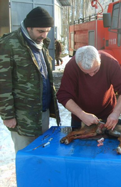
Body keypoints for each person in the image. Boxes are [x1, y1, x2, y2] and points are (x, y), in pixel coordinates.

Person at [0, 7, 61, 153]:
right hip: (22, 117)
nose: (44, 35)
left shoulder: (41, 44)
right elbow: (3, 83)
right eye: (40, 31)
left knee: (40, 153)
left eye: (47, 31)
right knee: (26, 157)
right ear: (29, 27)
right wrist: (8, 116)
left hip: (42, 112)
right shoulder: (9, 44)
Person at [56, 45, 121, 130]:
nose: (91, 75)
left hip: (107, 117)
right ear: (78, 64)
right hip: (80, 118)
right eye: (86, 73)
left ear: (99, 58)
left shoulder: (110, 62)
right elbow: (63, 95)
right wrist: (82, 115)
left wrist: (115, 113)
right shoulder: (72, 66)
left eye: (95, 70)